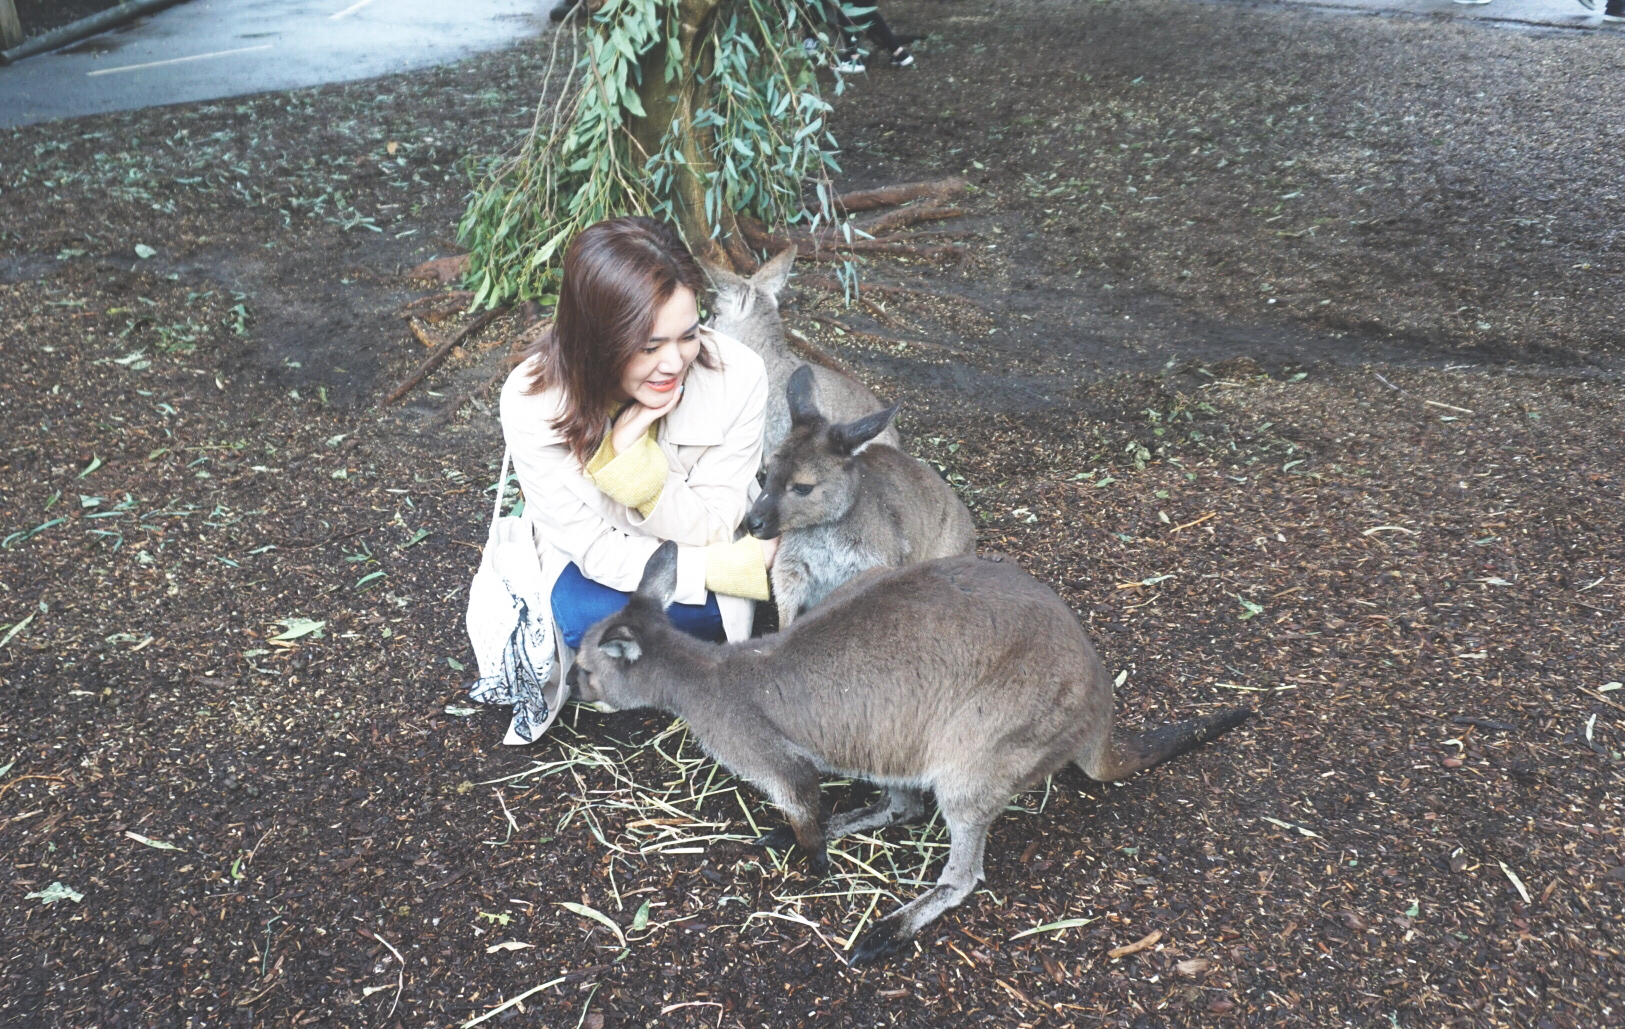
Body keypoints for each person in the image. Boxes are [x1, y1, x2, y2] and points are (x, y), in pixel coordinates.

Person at [498, 217, 776, 682]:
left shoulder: (739, 375)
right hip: (602, 567)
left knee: (695, 615)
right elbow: (595, 550)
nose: (674, 362)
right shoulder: (533, 402)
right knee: (586, 613)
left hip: (696, 542)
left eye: (688, 335)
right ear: (597, 342)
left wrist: (637, 470)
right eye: (648, 347)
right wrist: (727, 569)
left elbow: (712, 523)